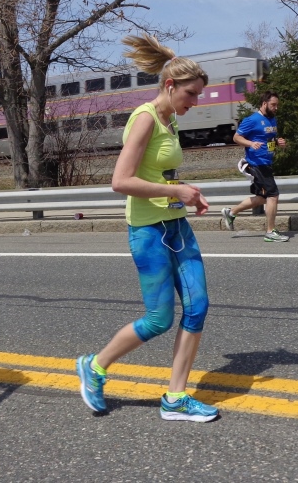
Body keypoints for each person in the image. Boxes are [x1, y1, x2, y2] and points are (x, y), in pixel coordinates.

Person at [76, 34, 219, 423]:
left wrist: (189, 195)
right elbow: (121, 181)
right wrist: (176, 191)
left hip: (176, 227)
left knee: (198, 308)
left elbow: (160, 174)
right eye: (191, 94)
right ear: (170, 85)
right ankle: (95, 366)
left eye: (198, 95)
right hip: (149, 232)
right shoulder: (145, 118)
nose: (195, 102)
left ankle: (175, 398)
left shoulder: (170, 120)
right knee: (159, 319)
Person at [221, 91, 288, 242]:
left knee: (263, 198)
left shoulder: (272, 119)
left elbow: (269, 139)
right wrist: (251, 143)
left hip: (266, 163)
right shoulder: (252, 120)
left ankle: (231, 212)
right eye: (273, 105)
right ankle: (270, 232)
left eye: (277, 105)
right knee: (273, 195)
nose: (276, 108)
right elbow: (236, 137)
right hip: (257, 164)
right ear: (264, 103)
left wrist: (278, 142)